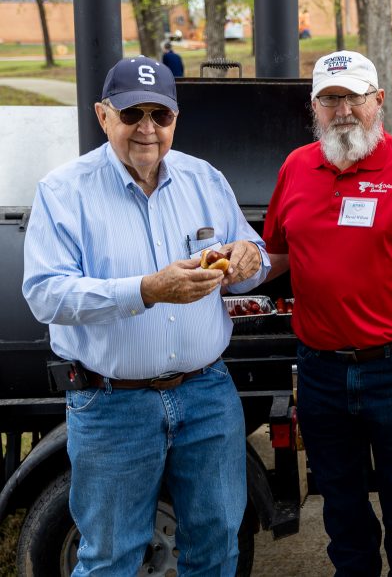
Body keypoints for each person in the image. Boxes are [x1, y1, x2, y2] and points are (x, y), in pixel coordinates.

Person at [22, 55, 269, 575]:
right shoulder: (65, 191)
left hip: (207, 394)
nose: (148, 129)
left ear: (175, 119)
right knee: (110, 557)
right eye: (133, 114)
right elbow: (46, 295)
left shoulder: (204, 178)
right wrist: (147, 290)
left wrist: (252, 258)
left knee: (218, 545)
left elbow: (251, 257)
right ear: (103, 115)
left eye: (162, 115)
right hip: (113, 404)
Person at [262, 50, 392, 576]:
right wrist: (220, 269)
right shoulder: (295, 168)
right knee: (340, 499)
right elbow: (276, 254)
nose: (344, 111)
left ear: (378, 101)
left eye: (354, 97)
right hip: (321, 369)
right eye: (331, 99)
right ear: (314, 107)